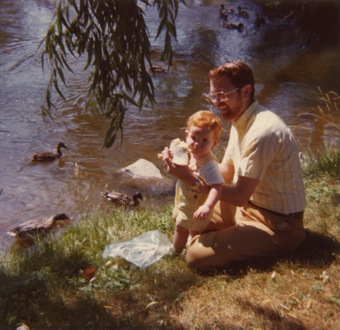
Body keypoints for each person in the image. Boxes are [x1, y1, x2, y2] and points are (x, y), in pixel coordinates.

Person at [161, 60, 306, 270]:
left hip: (276, 224)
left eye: (222, 95)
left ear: (246, 91)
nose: (217, 102)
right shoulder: (241, 121)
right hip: (247, 208)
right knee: (183, 213)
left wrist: (189, 179)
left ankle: (212, 241)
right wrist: (187, 161)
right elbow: (225, 172)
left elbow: (239, 196)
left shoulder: (262, 132)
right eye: (213, 96)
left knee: (194, 257)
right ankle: (217, 236)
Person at [166, 110, 224, 253]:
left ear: (214, 143)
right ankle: (194, 242)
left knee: (180, 227)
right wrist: (172, 156)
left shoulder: (209, 165)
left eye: (205, 140)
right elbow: (181, 165)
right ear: (187, 135)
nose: (197, 144)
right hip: (185, 199)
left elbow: (217, 187)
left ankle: (176, 251)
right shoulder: (190, 153)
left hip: (196, 205)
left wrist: (208, 206)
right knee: (192, 228)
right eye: (194, 138)